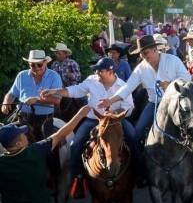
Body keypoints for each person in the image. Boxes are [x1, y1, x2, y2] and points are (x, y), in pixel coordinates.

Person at [0, 106, 89, 203]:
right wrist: (81, 113)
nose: (27, 136)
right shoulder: (35, 152)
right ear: (20, 142)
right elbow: (61, 133)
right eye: (23, 134)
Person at [40, 58, 139, 186]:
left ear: (110, 71)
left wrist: (114, 114)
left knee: (133, 137)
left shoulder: (123, 86)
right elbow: (75, 90)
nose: (97, 73)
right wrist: (55, 91)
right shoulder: (91, 81)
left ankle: (138, 172)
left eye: (100, 71)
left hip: (115, 121)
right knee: (75, 144)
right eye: (96, 70)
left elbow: (129, 107)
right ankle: (77, 177)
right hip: (93, 119)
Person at [98, 35, 192, 147]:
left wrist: (171, 84)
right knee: (138, 131)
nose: (143, 56)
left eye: (145, 53)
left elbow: (187, 79)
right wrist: (110, 100)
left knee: (192, 128)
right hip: (154, 103)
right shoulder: (140, 69)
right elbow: (128, 87)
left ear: (155, 49)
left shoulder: (173, 60)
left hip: (176, 101)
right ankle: (139, 160)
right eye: (141, 54)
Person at [1, 50, 62, 136]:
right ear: (29, 64)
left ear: (45, 63)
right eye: (32, 65)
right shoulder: (21, 75)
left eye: (39, 65)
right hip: (23, 117)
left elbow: (57, 100)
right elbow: (11, 93)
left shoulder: (54, 76)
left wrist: (37, 100)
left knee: (44, 146)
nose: (36, 67)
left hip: (44, 119)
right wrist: (6, 102)